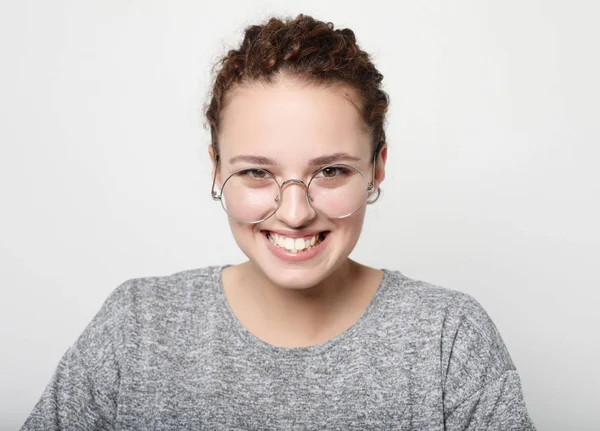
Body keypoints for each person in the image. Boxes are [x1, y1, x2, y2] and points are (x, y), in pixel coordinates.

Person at [21, 14, 536, 430]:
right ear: (217, 169)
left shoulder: (448, 338)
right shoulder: (135, 328)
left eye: (331, 171)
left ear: (377, 168)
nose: (294, 213)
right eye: (256, 173)